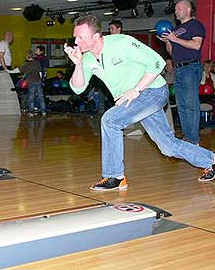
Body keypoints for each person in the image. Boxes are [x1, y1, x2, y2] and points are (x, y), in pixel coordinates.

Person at [65, 14, 215, 191]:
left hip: (153, 91)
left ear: (96, 36)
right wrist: (78, 65)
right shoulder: (87, 58)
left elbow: (157, 63)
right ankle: (211, 160)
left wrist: (136, 89)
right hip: (135, 100)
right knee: (168, 146)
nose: (76, 41)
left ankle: (115, 176)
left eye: (81, 37)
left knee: (110, 120)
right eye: (76, 36)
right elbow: (78, 88)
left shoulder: (122, 43)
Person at [161, 0, 205, 145]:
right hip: (178, 68)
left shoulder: (195, 25)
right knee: (182, 105)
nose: (176, 11)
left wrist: (175, 38)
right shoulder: (176, 29)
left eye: (178, 8)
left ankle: (193, 140)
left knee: (191, 104)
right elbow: (172, 52)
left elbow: (196, 45)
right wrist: (168, 41)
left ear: (188, 9)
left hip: (191, 68)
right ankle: (187, 137)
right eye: (175, 9)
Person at [8, 50, 47, 116]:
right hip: (38, 82)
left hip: (31, 83)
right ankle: (44, 112)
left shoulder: (27, 65)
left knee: (31, 97)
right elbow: (40, 73)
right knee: (41, 97)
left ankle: (31, 113)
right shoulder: (37, 63)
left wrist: (10, 71)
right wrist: (41, 80)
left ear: (26, 57)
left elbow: (18, 70)